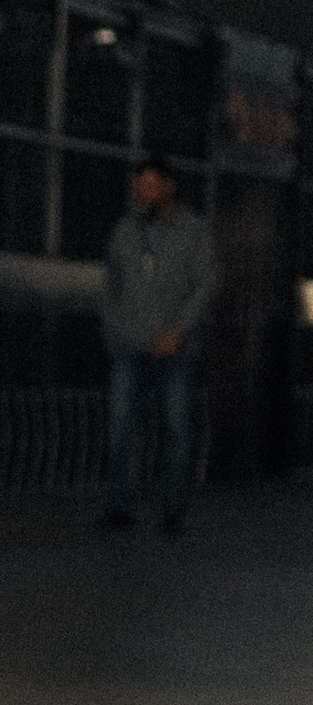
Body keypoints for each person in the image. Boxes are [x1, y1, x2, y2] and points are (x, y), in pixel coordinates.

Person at [101, 156, 215, 535]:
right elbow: (112, 285)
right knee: (121, 426)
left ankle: (174, 510)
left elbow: (205, 286)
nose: (142, 193)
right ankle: (121, 505)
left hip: (176, 349)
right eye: (139, 186)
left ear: (169, 187)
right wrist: (113, 332)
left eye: (150, 185)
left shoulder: (194, 231)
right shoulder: (125, 230)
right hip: (129, 345)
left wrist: (179, 331)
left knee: (177, 428)